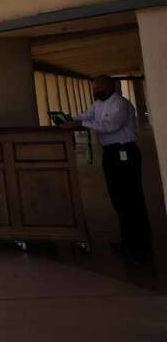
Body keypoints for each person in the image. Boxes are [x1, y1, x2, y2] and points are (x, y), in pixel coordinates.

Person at [65, 75, 152, 257]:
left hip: (125, 152)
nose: (96, 91)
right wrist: (69, 121)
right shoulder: (98, 104)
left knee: (131, 198)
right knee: (118, 197)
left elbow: (110, 126)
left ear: (109, 86)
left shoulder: (120, 104)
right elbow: (85, 116)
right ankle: (127, 240)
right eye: (94, 88)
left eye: (99, 87)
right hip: (110, 154)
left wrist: (81, 123)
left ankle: (140, 243)